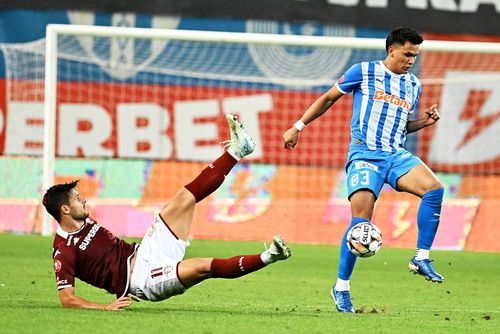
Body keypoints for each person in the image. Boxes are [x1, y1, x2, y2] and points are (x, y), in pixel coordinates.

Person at [43, 114, 291, 310]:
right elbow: (67, 298)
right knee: (202, 267)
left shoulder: (81, 221)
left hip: (146, 249)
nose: (83, 201)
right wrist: (105, 307)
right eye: (77, 199)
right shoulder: (63, 250)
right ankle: (271, 256)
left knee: (184, 198)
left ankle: (237, 150)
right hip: (145, 279)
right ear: (64, 209)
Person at [282, 27, 445, 313]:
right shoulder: (364, 71)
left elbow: (400, 125)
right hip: (365, 155)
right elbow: (328, 98)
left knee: (434, 190)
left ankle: (421, 257)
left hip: (396, 154)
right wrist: (297, 127)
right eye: (407, 54)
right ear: (391, 49)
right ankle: (341, 287)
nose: (411, 60)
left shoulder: (413, 85)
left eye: (415, 56)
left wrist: (423, 122)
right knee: (361, 224)